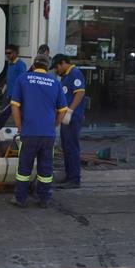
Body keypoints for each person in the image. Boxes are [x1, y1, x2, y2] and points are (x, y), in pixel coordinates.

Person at [9, 53, 67, 208]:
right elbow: (63, 110)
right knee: (46, 169)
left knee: (24, 168)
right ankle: (44, 199)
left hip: (29, 132)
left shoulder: (22, 79)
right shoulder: (55, 83)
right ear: (47, 67)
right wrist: (54, 125)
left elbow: (15, 106)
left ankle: (20, 198)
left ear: (33, 65)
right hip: (48, 134)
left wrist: (20, 126)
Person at [52, 54, 86, 188]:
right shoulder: (66, 76)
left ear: (63, 63)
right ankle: (69, 176)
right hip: (67, 118)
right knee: (67, 147)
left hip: (73, 117)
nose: (56, 70)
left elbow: (80, 93)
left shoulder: (75, 73)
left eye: (57, 67)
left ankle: (74, 179)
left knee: (71, 148)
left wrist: (70, 111)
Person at [0, 44, 26, 139]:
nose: (8, 55)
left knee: (10, 114)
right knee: (3, 114)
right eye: (6, 53)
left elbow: (22, 80)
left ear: (15, 53)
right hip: (8, 93)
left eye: (9, 53)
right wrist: (4, 86)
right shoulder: (10, 64)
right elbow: (9, 78)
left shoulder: (20, 65)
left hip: (16, 95)